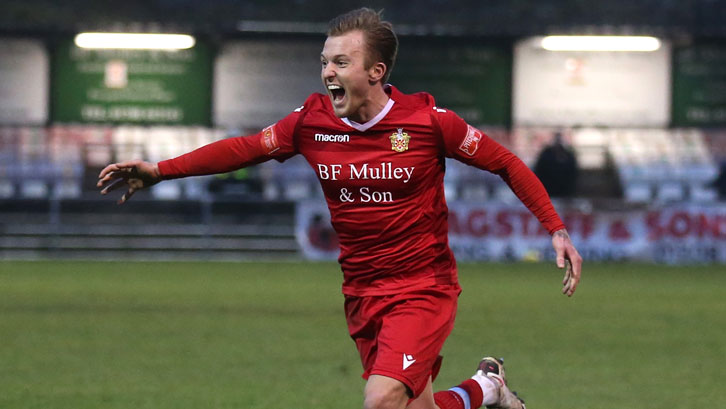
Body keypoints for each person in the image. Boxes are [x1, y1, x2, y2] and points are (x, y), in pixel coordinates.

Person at [97, 8, 582, 409]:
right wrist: (160, 170)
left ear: (376, 72)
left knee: (381, 400)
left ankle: (487, 390)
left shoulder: (429, 123)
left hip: (422, 287)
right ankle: (488, 389)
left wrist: (555, 227)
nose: (328, 72)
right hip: (362, 289)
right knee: (415, 407)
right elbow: (244, 148)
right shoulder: (311, 121)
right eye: (325, 62)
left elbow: (507, 163)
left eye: (341, 63)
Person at [533, 131, 578, 198]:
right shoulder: (546, 154)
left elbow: (572, 171)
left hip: (564, 190)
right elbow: (540, 169)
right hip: (548, 188)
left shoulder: (568, 155)